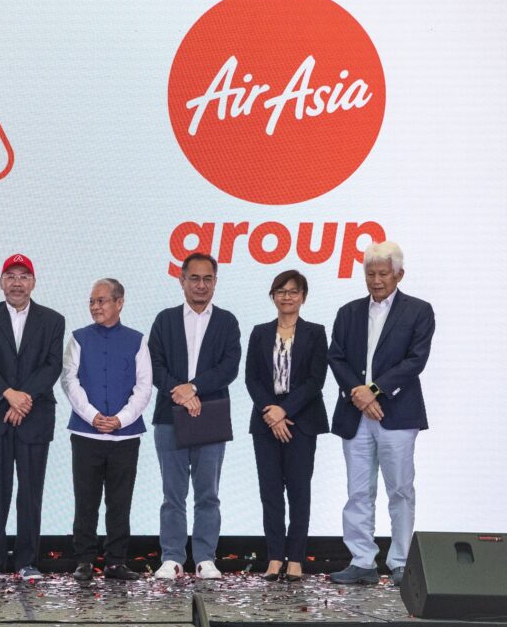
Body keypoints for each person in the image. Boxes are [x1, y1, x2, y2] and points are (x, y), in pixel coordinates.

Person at [328, 242, 435, 587]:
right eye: (370, 274)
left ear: (399, 274)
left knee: (400, 490)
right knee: (358, 491)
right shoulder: (348, 312)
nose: (376, 280)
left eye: (382, 274)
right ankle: (362, 561)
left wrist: (374, 391)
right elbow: (337, 357)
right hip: (355, 415)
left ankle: (401, 561)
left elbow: (415, 361)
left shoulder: (418, 311)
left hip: (398, 414)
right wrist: (358, 395)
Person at [0, 254, 65, 581]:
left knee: (30, 492)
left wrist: (24, 398)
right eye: (10, 276)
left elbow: (52, 365)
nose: (17, 282)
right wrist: (8, 395)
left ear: (33, 282)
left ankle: (28, 562)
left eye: (24, 276)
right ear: (1, 282)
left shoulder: (53, 320)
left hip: (34, 416)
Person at [148, 252, 240, 581]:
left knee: (207, 494)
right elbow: (154, 365)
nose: (201, 285)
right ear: (182, 281)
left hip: (210, 415)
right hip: (170, 415)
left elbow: (229, 367)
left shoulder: (227, 321)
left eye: (207, 279)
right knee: (172, 494)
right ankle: (172, 558)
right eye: (194, 278)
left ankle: (205, 558)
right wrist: (180, 392)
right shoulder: (165, 319)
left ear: (215, 282)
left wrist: (194, 388)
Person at [61, 278, 151, 582]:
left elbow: (144, 386)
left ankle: (115, 561)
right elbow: (69, 381)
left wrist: (121, 419)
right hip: (86, 435)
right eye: (92, 301)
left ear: (119, 303)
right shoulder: (78, 338)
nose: (95, 307)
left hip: (125, 436)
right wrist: (92, 415)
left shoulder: (137, 340)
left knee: (119, 501)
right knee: (85, 499)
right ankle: (84, 560)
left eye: (101, 301)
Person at [244, 270, 329, 582]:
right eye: (280, 291)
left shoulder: (316, 333)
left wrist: (284, 411)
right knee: (270, 493)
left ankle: (295, 559)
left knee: (298, 492)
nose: (287, 296)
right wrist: (271, 413)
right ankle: (275, 558)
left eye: (293, 291)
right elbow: (251, 378)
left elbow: (315, 381)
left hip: (301, 421)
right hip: (266, 422)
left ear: (303, 297)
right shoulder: (259, 332)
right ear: (272, 296)